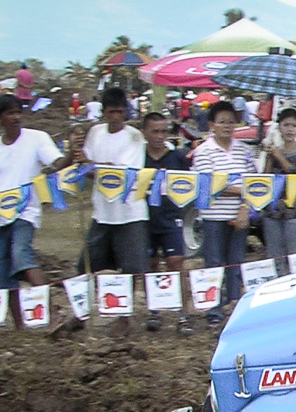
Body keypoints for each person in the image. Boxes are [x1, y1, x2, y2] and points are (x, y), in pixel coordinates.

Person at [73, 87, 149, 332]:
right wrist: (82, 160)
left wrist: (90, 165)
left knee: (130, 269)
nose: (116, 116)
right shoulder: (95, 133)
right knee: (85, 265)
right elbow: (87, 168)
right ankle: (80, 312)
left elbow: (121, 172)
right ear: (104, 112)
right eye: (111, 111)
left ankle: (124, 318)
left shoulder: (135, 137)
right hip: (102, 212)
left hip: (130, 212)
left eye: (120, 111)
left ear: (125, 111)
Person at [0, 94, 66, 322]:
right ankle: (19, 324)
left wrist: (71, 157)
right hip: (0, 216)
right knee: (3, 271)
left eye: (18, 112)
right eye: (10, 113)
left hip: (25, 212)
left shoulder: (37, 138)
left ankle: (54, 311)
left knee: (20, 254)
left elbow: (56, 163)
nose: (16, 117)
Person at [190, 101, 254, 327]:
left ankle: (235, 305)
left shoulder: (244, 150)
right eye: (222, 122)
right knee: (214, 263)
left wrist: (245, 207)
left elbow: (255, 183)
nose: (227, 126)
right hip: (213, 217)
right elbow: (209, 185)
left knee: (236, 262)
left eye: (231, 121)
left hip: (240, 215)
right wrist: (240, 189)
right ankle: (213, 310)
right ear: (211, 125)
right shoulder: (203, 151)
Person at [142, 111, 193, 334]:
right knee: (151, 265)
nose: (159, 136)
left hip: (171, 216)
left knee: (176, 262)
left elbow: (190, 184)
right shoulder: (137, 157)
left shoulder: (177, 157)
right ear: (145, 132)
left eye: (164, 131)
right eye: (155, 131)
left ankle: (184, 314)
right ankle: (155, 310)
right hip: (144, 217)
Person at [260, 108, 296, 270]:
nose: (290, 129)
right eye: (286, 125)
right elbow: (265, 180)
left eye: (294, 125)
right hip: (273, 212)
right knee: (276, 261)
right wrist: (270, 157)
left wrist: (278, 156)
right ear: (279, 128)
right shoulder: (275, 151)